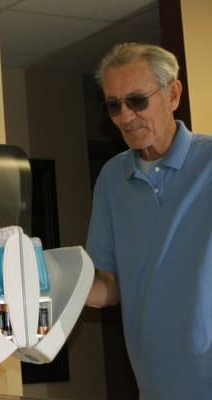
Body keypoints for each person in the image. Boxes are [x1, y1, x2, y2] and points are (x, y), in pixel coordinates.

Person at [85, 42, 212, 399]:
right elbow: (109, 286)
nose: (125, 117)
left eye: (137, 101)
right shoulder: (112, 179)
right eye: (114, 105)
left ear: (173, 94)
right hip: (156, 386)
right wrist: (46, 286)